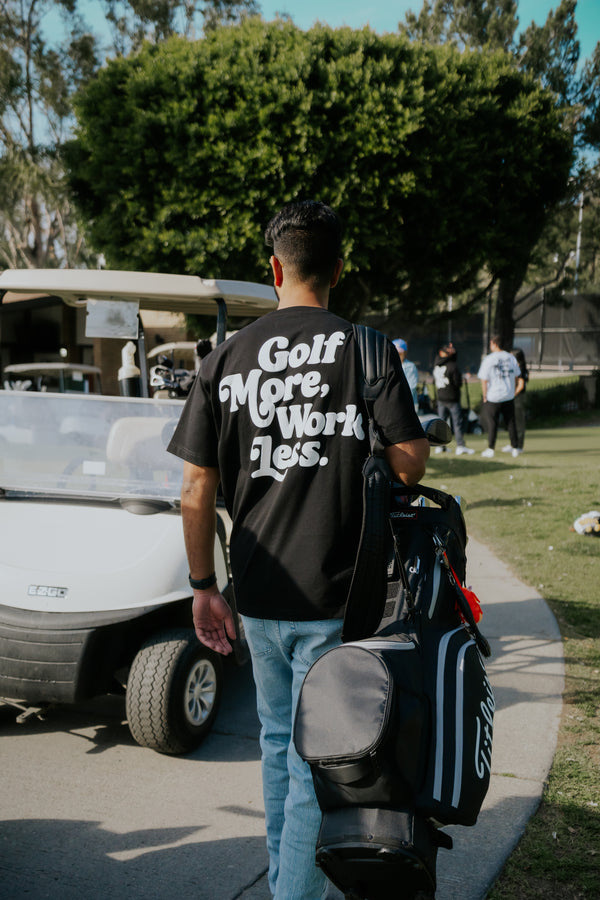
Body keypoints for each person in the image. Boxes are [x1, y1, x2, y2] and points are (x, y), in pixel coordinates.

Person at [167, 200, 430, 900]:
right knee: (315, 761)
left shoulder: (223, 359)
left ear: (274, 267)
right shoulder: (365, 348)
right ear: (338, 270)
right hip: (336, 596)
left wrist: (203, 584)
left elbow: (195, 488)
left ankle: (288, 884)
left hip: (256, 593)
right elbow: (410, 463)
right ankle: (292, 893)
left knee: (280, 747)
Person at [477, 334, 523, 458]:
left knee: (492, 423)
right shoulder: (511, 358)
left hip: (494, 396)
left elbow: (484, 380)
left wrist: (485, 395)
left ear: (495, 344)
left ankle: (491, 448)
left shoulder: (489, 359)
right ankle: (515, 447)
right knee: (511, 422)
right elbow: (516, 376)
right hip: (508, 395)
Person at [432, 342, 474, 456]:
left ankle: (440, 446)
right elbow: (458, 383)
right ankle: (460, 446)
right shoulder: (452, 366)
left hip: (441, 398)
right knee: (457, 424)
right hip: (452, 399)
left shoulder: (436, 364)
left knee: (441, 424)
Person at [502, 348, 528, 455]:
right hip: (511, 397)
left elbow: (521, 385)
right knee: (511, 421)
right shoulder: (513, 367)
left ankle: (519, 445)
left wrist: (512, 395)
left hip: (517, 397)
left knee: (519, 422)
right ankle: (513, 444)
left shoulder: (520, 368)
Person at [393, 338, 419, 409]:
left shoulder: (410, 367)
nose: (397, 355)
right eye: (395, 352)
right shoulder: (386, 366)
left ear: (405, 353)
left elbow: (412, 387)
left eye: (399, 353)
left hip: (407, 405)